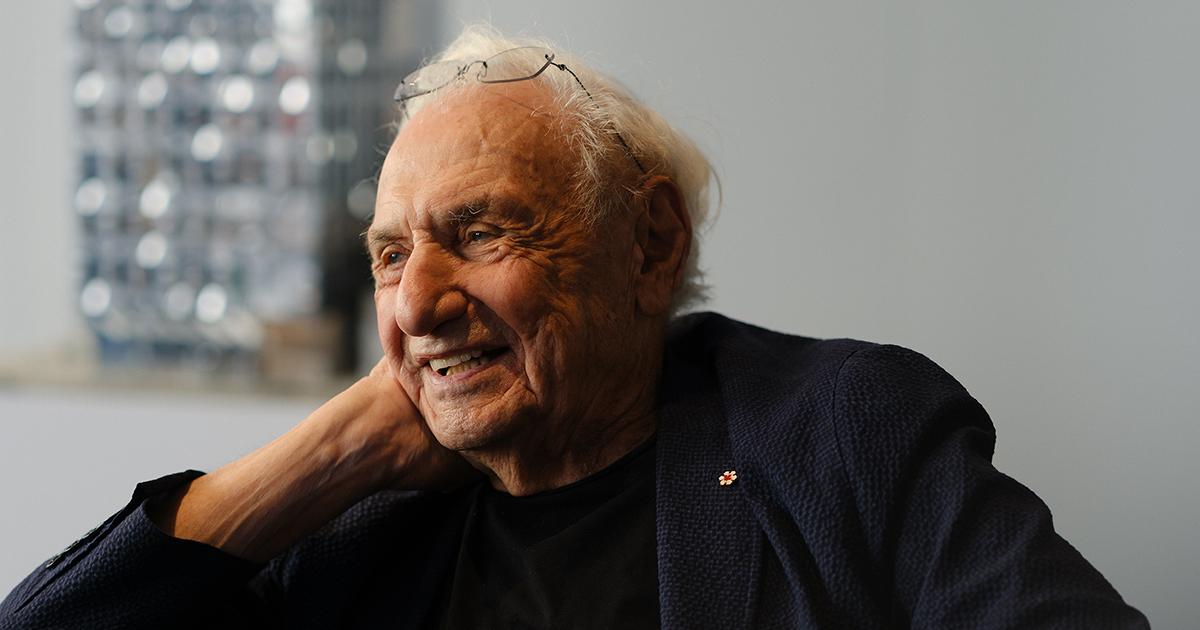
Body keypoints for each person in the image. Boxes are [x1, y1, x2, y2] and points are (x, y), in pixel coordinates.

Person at [1, 24, 1148, 630]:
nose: (416, 304)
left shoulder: (842, 432)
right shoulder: (364, 526)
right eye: (391, 254)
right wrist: (335, 448)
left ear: (648, 246)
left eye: (483, 231)